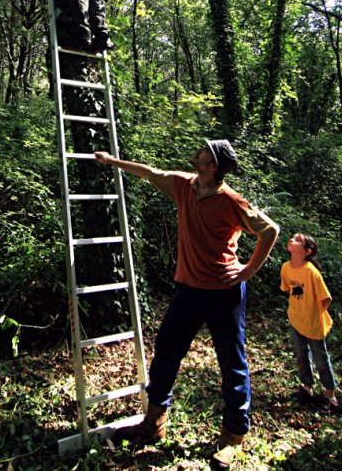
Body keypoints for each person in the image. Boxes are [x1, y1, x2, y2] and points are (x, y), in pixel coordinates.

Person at [94, 140, 279, 469]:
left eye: (205, 151)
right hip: (188, 290)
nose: (198, 151)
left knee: (232, 364)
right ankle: (154, 422)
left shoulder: (231, 200)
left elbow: (270, 230)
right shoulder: (183, 184)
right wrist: (112, 161)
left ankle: (232, 438)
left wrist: (247, 271)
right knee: (166, 351)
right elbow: (149, 172)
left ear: (213, 165)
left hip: (224, 293)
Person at [280, 233, 338, 411]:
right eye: (292, 237)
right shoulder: (285, 267)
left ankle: (330, 396)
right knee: (301, 355)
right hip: (296, 319)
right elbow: (288, 289)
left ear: (306, 251)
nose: (292, 240)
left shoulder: (312, 272)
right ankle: (306, 388)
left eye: (298, 240)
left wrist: (313, 312)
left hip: (313, 323)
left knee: (321, 359)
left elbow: (326, 298)